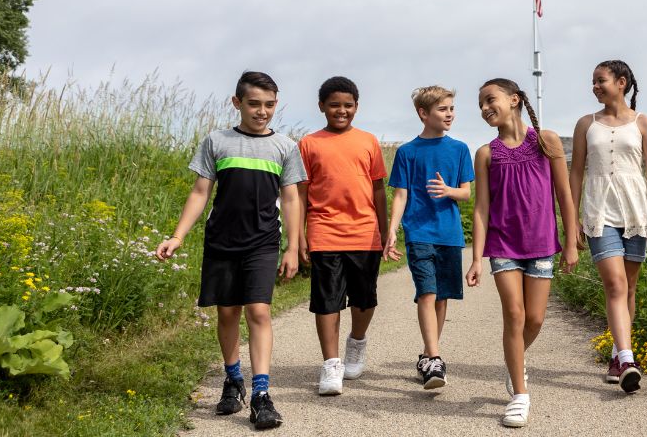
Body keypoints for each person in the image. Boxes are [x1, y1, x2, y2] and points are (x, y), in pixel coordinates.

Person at [156, 71, 304, 430]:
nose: (262, 111)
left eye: (269, 104)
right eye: (254, 103)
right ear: (237, 103)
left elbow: (290, 197)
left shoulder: (285, 146)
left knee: (259, 311)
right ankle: (233, 378)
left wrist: (293, 247)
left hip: (263, 242)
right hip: (222, 242)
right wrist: (177, 236)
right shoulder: (216, 141)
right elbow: (200, 192)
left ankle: (261, 395)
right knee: (227, 314)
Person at [465, 78, 579, 428]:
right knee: (514, 314)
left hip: (542, 244)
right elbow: (481, 208)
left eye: (490, 99)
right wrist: (476, 259)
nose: (484, 108)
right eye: (481, 104)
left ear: (514, 99)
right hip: (504, 246)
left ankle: (514, 359)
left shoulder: (546, 141)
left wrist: (571, 241)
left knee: (535, 320)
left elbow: (564, 193)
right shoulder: (486, 153)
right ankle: (519, 394)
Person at [568, 60, 647, 394]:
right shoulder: (585, 125)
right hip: (599, 212)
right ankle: (627, 359)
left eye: (601, 81)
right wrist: (571, 220)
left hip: (636, 212)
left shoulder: (644, 124)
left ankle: (615, 352)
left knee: (630, 288)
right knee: (614, 284)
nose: (594, 87)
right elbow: (576, 174)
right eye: (592, 82)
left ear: (621, 83)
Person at [298, 76, 388, 396]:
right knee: (327, 300)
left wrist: (385, 229)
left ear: (356, 107)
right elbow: (301, 193)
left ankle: (357, 342)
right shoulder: (309, 144)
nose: (341, 110)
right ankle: (331, 364)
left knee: (364, 299)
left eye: (348, 105)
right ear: (321, 106)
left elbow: (378, 189)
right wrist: (298, 235)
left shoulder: (368, 141)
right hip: (323, 231)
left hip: (364, 232)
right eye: (334, 105)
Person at [384, 86, 474, 390]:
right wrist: (392, 229)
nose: (449, 114)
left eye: (451, 108)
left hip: (449, 234)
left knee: (442, 295)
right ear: (424, 113)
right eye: (442, 109)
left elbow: (466, 191)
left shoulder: (460, 149)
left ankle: (427, 354)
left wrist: (449, 191)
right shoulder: (407, 152)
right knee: (427, 292)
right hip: (418, 232)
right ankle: (435, 358)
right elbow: (400, 194)